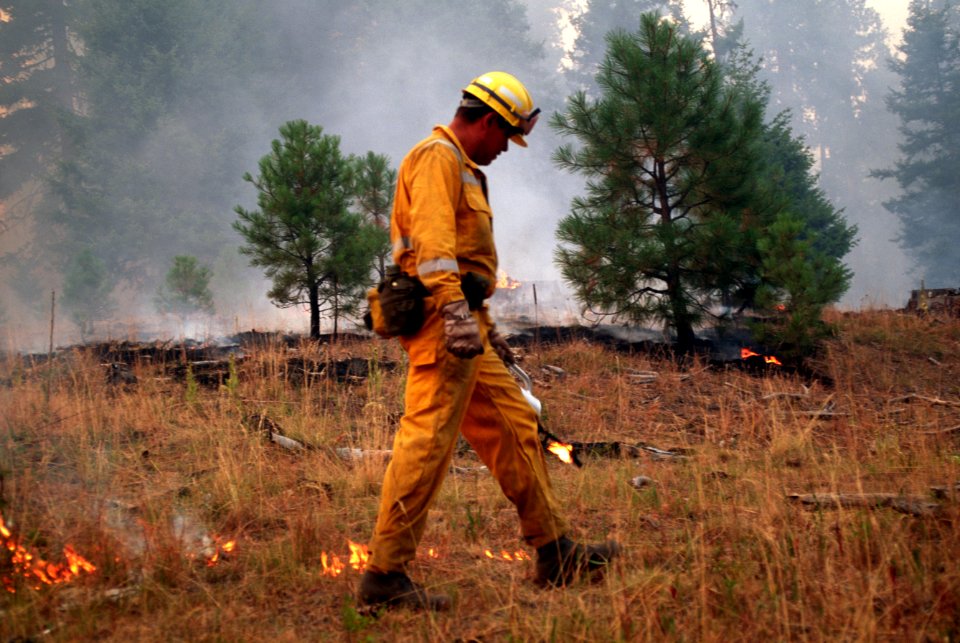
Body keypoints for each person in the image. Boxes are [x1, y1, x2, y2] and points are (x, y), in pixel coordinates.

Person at [358, 71, 621, 611]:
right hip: (442, 328)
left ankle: (554, 553)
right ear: (485, 121)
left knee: (516, 425)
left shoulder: (466, 167)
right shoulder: (438, 157)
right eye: (506, 136)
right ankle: (383, 577)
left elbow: (467, 261)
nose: (507, 148)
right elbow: (432, 249)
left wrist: (485, 328)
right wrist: (456, 316)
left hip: (464, 327)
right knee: (427, 444)